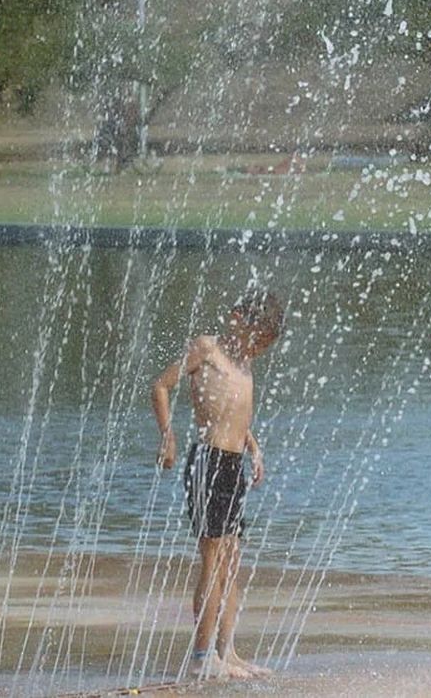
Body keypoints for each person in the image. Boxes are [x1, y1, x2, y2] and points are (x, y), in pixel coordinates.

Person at [151, 290, 284, 681]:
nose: (258, 349)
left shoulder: (244, 366)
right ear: (238, 319)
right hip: (208, 461)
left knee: (231, 561)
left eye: (265, 345)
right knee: (212, 561)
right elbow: (160, 386)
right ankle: (201, 655)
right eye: (257, 339)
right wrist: (168, 437)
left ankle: (229, 652)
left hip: (234, 465)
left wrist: (255, 450)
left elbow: (236, 418)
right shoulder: (207, 349)